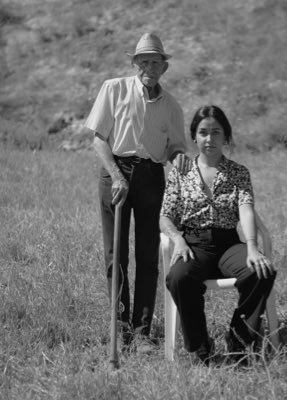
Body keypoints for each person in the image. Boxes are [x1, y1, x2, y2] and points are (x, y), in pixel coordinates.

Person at [85, 32, 190, 350]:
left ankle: (142, 332)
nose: (149, 66)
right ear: (134, 63)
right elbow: (98, 138)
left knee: (148, 256)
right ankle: (120, 329)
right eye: (143, 61)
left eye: (155, 61)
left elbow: (174, 147)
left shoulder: (171, 105)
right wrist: (117, 176)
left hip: (151, 177)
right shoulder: (113, 88)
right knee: (115, 254)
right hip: (116, 172)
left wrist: (178, 156)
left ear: (164, 67)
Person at [160, 105, 276, 365]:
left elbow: (246, 209)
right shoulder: (181, 172)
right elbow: (165, 215)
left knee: (261, 270)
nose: (209, 139)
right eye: (203, 133)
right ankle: (201, 347)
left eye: (215, 132)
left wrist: (253, 247)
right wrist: (177, 238)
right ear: (194, 137)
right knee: (179, 277)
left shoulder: (238, 172)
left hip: (227, 244)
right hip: (193, 244)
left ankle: (238, 339)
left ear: (226, 137)